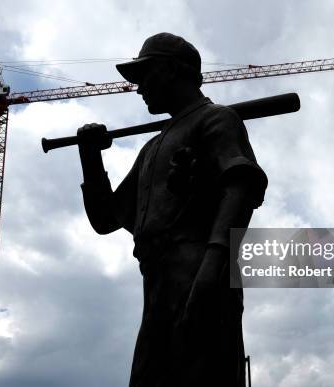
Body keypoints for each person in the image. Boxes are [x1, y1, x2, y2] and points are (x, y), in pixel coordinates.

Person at [76, 32, 268, 387]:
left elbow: (241, 186)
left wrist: (213, 266)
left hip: (201, 267)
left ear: (171, 70)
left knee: (203, 375)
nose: (139, 88)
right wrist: (90, 157)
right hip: (159, 285)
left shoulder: (216, 119)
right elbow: (105, 220)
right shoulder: (153, 148)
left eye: (144, 76)